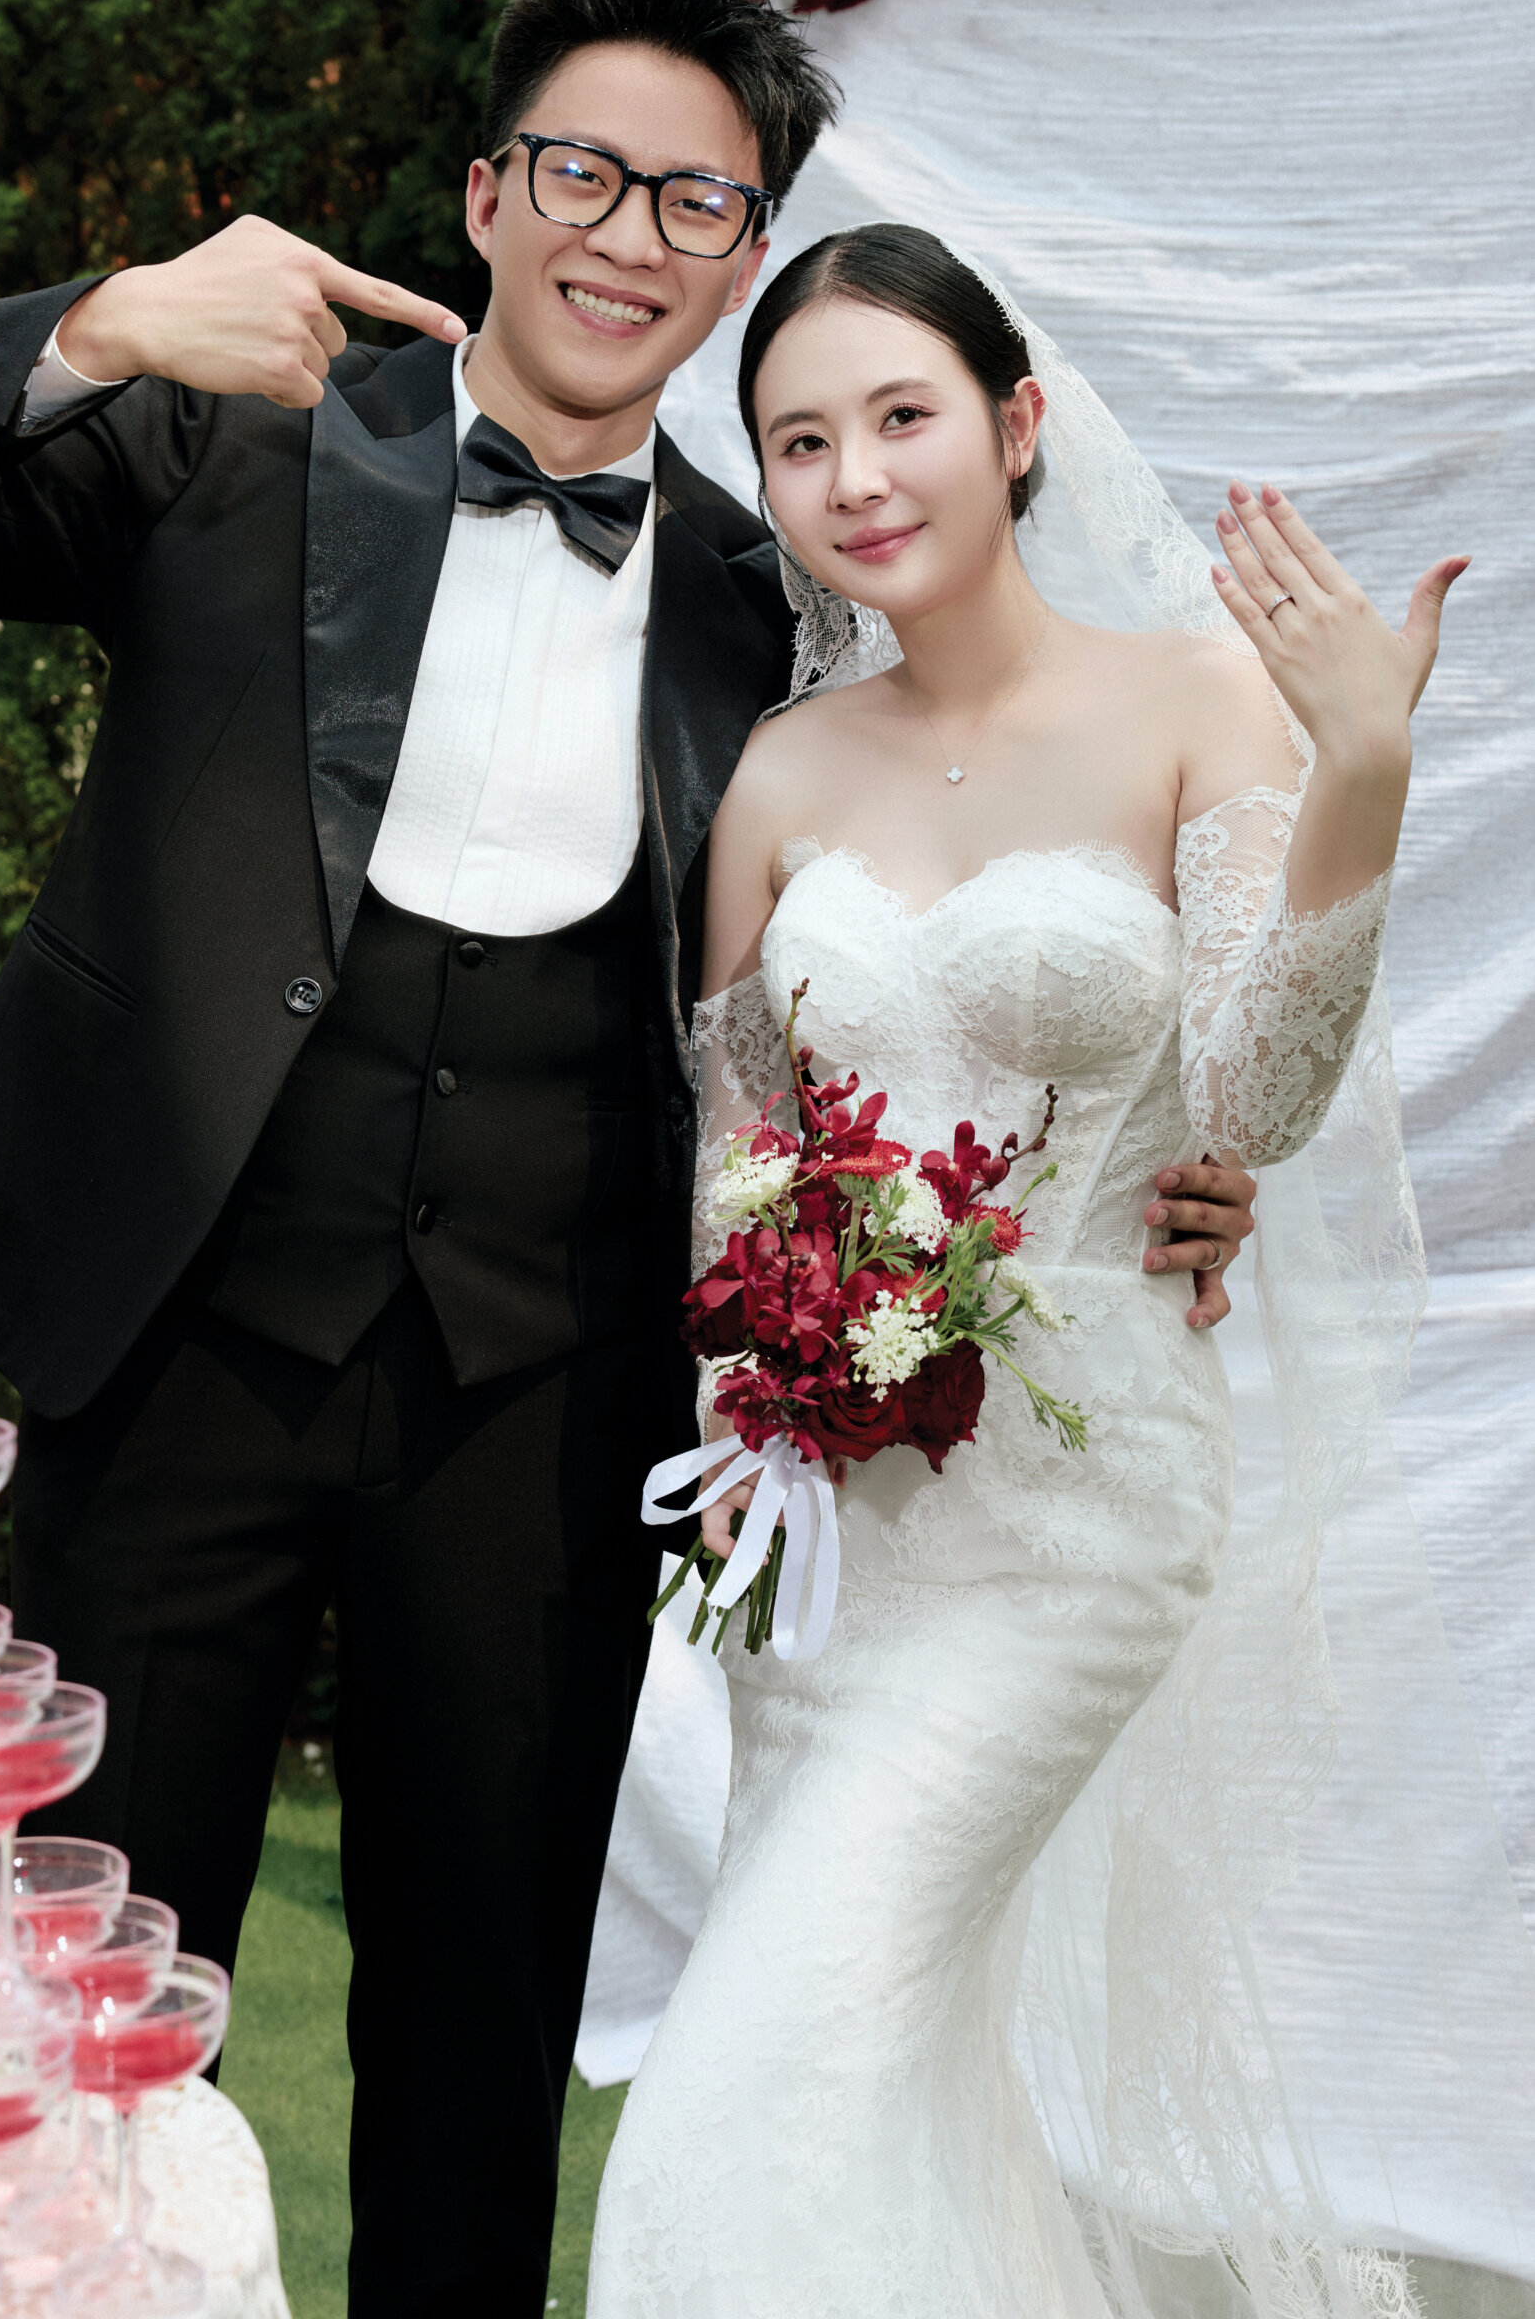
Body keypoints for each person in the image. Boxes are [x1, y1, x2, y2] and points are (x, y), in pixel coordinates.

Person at [0, 0, 1252, 2312]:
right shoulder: (240, 436)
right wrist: (102, 319)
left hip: (543, 1394)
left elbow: (936, 897)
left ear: (738, 254)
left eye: (695, 201)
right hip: (171, 1341)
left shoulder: (766, 598)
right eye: (582, 172)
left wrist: (1170, 1148)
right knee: (73, 1991)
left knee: (477, 2060)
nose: (627, 234)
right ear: (488, 195)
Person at [586, 224, 1465, 2318]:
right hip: (826, 1530)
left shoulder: (1194, 701)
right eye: (800, 440)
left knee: (757, 2067)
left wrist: (1357, 769)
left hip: (1074, 1510)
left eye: (900, 415)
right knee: (876, 2073)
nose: (855, 475)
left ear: (1015, 422)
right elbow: (737, 1160)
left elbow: (1248, 1087)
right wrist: (763, 1390)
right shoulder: (783, 768)